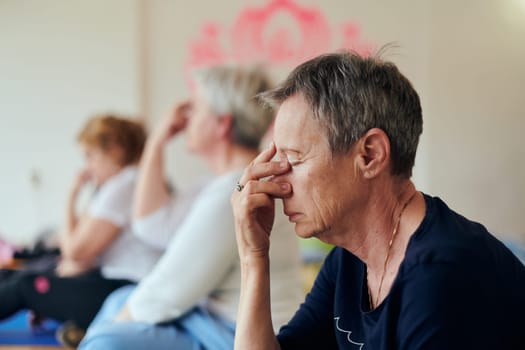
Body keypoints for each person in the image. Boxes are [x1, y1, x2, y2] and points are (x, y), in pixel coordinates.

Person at [231, 51, 525, 349]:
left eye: (293, 159)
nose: (278, 183)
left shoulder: (440, 275)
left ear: (370, 155)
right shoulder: (350, 261)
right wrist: (253, 257)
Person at [79, 65, 304, 350]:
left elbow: (169, 290)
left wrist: (108, 331)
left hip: (235, 332)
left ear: (222, 124)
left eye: (195, 109)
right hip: (212, 320)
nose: (185, 119)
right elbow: (151, 225)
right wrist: (157, 140)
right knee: (120, 299)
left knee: (107, 343)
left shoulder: (236, 189)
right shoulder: (219, 184)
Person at [0, 115, 162, 341]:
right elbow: (76, 246)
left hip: (126, 289)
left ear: (114, 151)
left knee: (25, 287)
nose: (87, 167)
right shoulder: (120, 185)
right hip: (113, 282)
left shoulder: (124, 185)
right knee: (15, 277)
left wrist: (72, 195)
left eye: (90, 157)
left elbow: (74, 251)